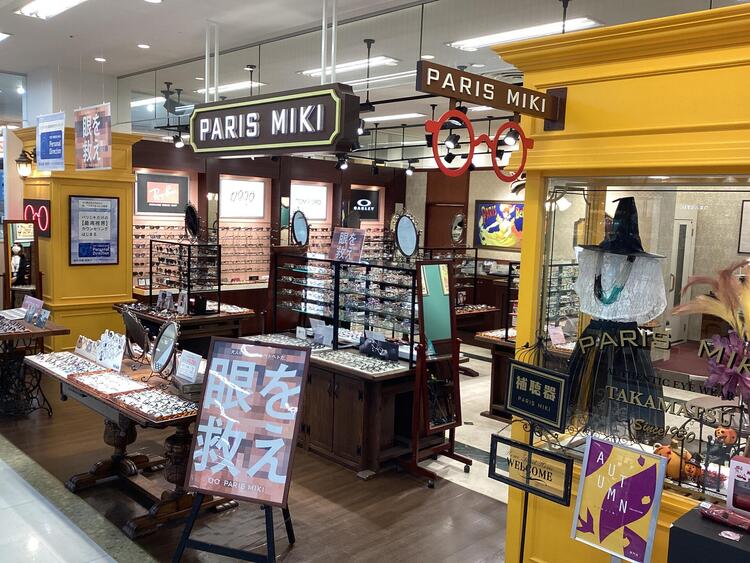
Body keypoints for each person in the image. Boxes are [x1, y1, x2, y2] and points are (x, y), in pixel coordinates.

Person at [567, 197, 666, 442]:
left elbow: (581, 294)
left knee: (601, 388)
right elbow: (655, 306)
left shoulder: (596, 259)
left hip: (597, 337)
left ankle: (601, 435)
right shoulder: (639, 263)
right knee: (617, 388)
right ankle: (611, 437)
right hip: (623, 338)